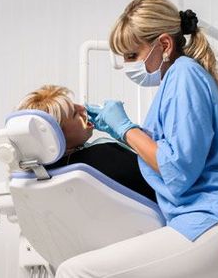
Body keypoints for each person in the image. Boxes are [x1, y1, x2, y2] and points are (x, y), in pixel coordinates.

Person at [55, 0, 218, 278]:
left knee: (75, 271)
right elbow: (173, 151)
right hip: (217, 225)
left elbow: (178, 169)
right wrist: (120, 130)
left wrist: (125, 128)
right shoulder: (180, 79)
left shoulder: (184, 76)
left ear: (165, 45)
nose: (127, 66)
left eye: (132, 56)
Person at [16, 84, 156, 201]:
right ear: (55, 135)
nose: (83, 108)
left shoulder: (38, 178)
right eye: (74, 113)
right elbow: (165, 170)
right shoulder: (102, 155)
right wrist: (126, 131)